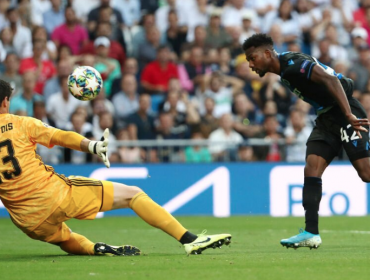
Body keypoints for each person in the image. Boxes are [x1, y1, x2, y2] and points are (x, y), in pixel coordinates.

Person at [0, 79, 231, 256]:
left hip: (26, 221)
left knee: (64, 238)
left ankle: (94, 248)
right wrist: (91, 145)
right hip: (53, 196)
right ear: (5, 102)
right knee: (133, 195)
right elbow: (60, 136)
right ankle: (190, 239)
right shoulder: (20, 123)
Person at [242, 33, 370, 249]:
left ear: (266, 53)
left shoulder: (293, 65)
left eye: (252, 58)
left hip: (345, 111)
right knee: (311, 168)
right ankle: (311, 232)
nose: (251, 65)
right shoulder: (284, 71)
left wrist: (348, 114)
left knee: (366, 173)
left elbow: (331, 80)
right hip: (325, 118)